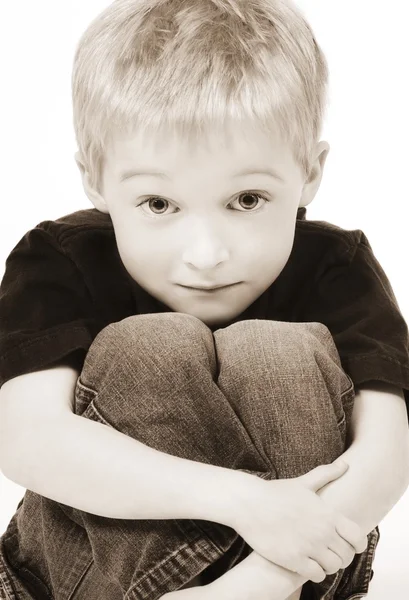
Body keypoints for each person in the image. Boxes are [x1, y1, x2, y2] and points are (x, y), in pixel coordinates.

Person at [0, 0, 409, 599]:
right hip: (75, 578)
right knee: (153, 344)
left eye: (246, 200)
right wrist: (246, 502)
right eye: (159, 205)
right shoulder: (60, 257)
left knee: (275, 351)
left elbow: (388, 451)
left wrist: (261, 581)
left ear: (311, 172)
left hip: (293, 576)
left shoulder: (335, 266)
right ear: (95, 179)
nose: (207, 253)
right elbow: (24, 436)